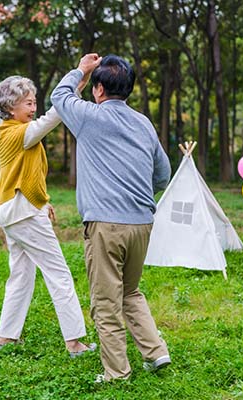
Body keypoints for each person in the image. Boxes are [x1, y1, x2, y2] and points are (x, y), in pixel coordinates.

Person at [50, 53, 172, 380]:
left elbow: (59, 96)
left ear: (100, 89)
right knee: (130, 291)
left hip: (106, 226)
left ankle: (117, 373)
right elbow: (163, 174)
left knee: (106, 303)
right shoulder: (143, 123)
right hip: (142, 224)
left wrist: (81, 70)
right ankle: (156, 352)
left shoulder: (90, 117)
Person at [0, 74, 96, 357]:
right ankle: (75, 342)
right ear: (11, 106)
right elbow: (53, 117)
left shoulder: (14, 131)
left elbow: (29, 175)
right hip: (23, 215)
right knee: (59, 273)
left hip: (17, 212)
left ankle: (5, 338)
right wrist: (75, 83)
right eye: (28, 103)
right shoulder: (15, 134)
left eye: (34, 101)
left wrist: (44, 202)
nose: (33, 106)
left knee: (21, 276)